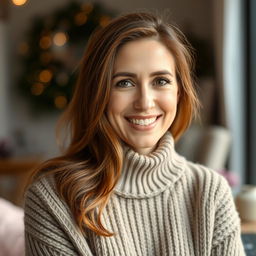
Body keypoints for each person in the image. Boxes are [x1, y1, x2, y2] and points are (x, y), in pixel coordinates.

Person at [24, 12, 245, 255]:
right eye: (124, 83)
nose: (145, 102)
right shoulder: (52, 199)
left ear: (179, 92)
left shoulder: (210, 191)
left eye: (160, 81)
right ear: (98, 95)